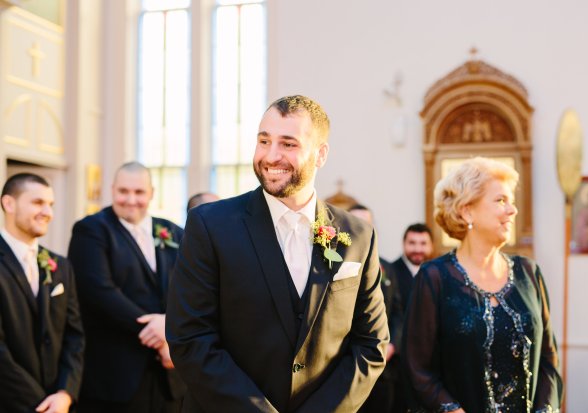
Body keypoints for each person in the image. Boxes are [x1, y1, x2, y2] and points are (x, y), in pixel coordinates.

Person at [166, 95, 389, 412]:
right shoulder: (210, 225)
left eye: (288, 144)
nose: (271, 156)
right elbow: (190, 338)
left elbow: (371, 344)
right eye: (264, 141)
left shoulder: (358, 235)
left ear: (320, 154)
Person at [403, 157, 563, 412]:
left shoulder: (529, 272)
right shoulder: (434, 278)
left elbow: (549, 361)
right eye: (501, 200)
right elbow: (418, 369)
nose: (512, 210)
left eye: (511, 201)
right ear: (467, 211)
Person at [68, 162, 185, 412]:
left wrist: (171, 326)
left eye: (139, 192)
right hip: (115, 374)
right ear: (112, 190)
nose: (131, 200)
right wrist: (158, 334)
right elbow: (98, 292)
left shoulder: (173, 232)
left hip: (170, 377)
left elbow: (192, 289)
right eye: (123, 191)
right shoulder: (91, 230)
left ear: (151, 193)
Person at [0, 173, 84, 412]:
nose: (48, 212)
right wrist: (40, 405)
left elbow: (74, 336)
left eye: (50, 204)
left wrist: (65, 393)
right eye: (38, 202)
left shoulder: (61, 266)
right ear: (9, 204)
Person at [348, 204, 401, 413]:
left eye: (366, 223)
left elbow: (397, 312)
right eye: (355, 223)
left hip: (383, 369)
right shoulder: (332, 265)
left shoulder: (387, 267)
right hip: (348, 367)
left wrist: (392, 345)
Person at [389, 223, 434, 412]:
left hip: (431, 361)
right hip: (398, 362)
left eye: (423, 243)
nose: (417, 249)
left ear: (431, 245)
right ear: (403, 244)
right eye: (412, 243)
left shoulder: (437, 272)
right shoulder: (390, 271)